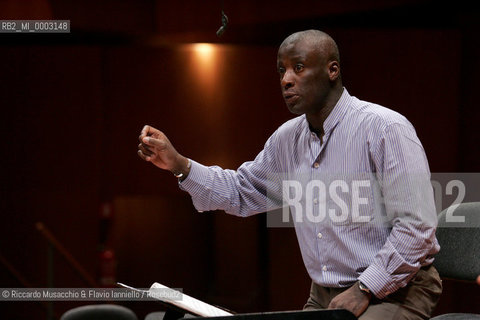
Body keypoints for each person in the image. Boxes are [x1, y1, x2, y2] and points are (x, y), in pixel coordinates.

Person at [137, 30, 442, 319]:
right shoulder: (287, 139)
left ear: (332, 70)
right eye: (281, 71)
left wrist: (365, 287)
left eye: (298, 68)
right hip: (327, 293)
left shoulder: (385, 128)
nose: (286, 80)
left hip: (396, 288)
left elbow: (417, 227)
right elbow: (242, 192)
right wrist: (179, 164)